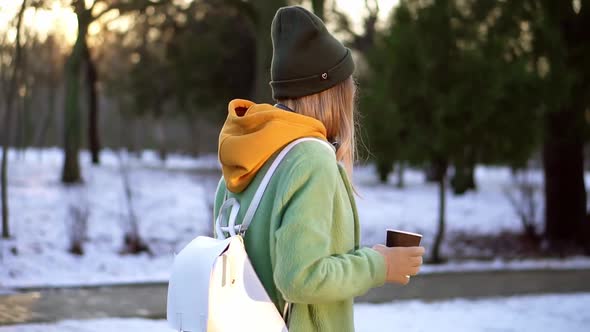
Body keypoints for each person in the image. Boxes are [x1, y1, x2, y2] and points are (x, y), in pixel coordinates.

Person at [213, 6, 425, 331]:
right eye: (349, 86)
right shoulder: (310, 159)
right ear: (333, 93)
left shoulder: (249, 152)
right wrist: (379, 265)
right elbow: (301, 278)